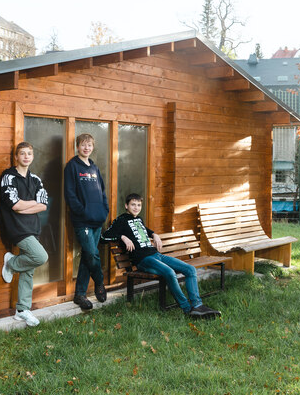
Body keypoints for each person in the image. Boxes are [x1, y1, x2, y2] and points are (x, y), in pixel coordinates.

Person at [101, 193, 221, 319]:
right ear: (126, 206)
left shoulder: (138, 219)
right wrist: (122, 237)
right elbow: (103, 237)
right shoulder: (121, 221)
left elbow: (144, 230)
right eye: (133, 205)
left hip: (156, 255)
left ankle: (197, 306)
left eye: (138, 205)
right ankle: (187, 309)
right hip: (143, 260)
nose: (136, 207)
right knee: (169, 272)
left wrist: (154, 234)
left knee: (190, 269)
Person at [0, 141, 49, 327]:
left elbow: (43, 204)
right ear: (16, 157)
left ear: (32, 157)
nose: (26, 156)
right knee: (40, 256)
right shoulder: (8, 177)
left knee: (29, 269)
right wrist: (30, 204)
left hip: (32, 227)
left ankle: (22, 310)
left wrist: (24, 206)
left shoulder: (35, 179)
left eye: (29, 153)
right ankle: (11, 263)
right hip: (16, 228)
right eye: (22, 153)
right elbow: (15, 206)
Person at [64, 133, 109, 310]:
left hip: (98, 219)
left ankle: (80, 295)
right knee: (92, 253)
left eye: (89, 145)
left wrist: (104, 210)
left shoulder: (94, 168)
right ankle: (99, 282)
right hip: (82, 220)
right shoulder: (72, 166)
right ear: (77, 147)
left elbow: (102, 192)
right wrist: (82, 212)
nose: (86, 148)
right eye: (83, 145)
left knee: (87, 256)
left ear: (92, 147)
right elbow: (70, 194)